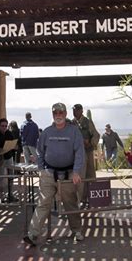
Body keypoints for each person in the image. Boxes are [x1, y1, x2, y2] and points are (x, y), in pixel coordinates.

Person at [23, 103, 85, 246]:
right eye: (55, 112)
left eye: (61, 112)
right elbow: (39, 151)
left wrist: (76, 172)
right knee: (43, 204)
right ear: (52, 115)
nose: (58, 115)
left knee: (71, 204)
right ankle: (33, 234)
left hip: (68, 174)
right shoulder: (46, 132)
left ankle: (77, 231)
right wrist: (41, 169)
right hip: (49, 174)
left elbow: (79, 153)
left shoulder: (74, 131)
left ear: (65, 114)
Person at [72, 104, 100, 206]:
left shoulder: (88, 122)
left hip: (88, 151)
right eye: (73, 110)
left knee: (91, 175)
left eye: (77, 110)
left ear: (81, 111)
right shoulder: (72, 123)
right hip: (78, 154)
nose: (74, 112)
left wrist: (90, 142)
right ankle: (82, 199)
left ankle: (93, 198)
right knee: (80, 176)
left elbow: (96, 135)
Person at [0, 118, 17, 202]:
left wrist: (13, 146)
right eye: (2, 126)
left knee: (11, 177)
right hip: (0, 159)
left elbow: (14, 144)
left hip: (9, 157)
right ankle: (1, 197)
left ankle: (11, 195)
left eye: (6, 126)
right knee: (1, 178)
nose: (4, 127)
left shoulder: (9, 134)